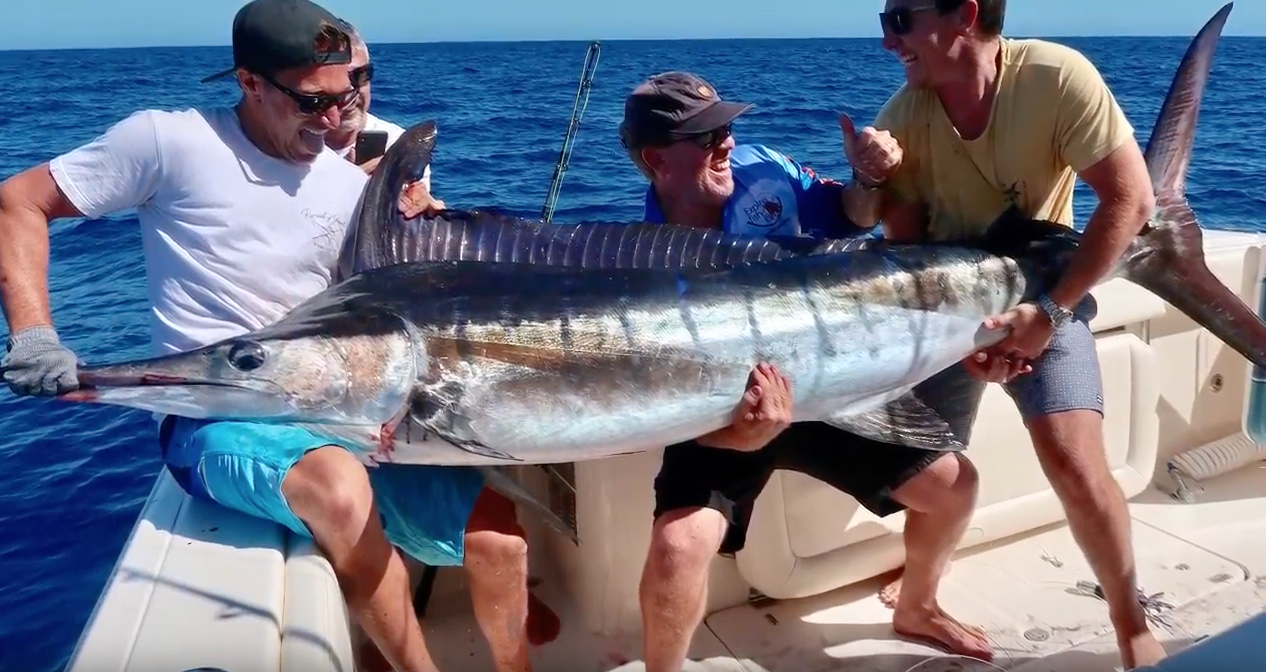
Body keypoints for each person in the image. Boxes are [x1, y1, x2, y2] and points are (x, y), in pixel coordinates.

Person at [0, 2, 537, 671]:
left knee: (500, 539)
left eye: (347, 97)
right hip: (220, 413)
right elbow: (20, 200)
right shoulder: (170, 142)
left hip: (344, 406)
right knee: (341, 492)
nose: (336, 118)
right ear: (251, 82)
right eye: (313, 101)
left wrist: (424, 232)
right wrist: (32, 333)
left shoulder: (347, 188)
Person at [618, 70, 989, 672]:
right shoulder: (646, 260)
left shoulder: (767, 170)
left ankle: (918, 606)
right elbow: (663, 402)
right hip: (723, 415)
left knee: (955, 487)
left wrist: (868, 177)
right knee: (676, 547)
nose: (728, 144)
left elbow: (851, 216)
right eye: (708, 137)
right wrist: (738, 433)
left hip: (826, 386)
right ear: (658, 159)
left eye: (728, 128)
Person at [868, 0, 1164, 668]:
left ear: (965, 15)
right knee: (933, 471)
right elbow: (907, 248)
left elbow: (1131, 200)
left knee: (1075, 462)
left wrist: (1051, 314)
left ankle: (1130, 620)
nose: (887, 41)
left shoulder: (1056, 76)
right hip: (948, 312)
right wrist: (963, 341)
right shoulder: (900, 120)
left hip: (1045, 294)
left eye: (901, 20)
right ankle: (919, 597)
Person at [324, 20, 422, 183]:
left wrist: (423, 206)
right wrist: (346, 186)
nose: (349, 92)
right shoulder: (293, 149)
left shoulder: (399, 145)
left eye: (361, 75)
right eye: (336, 80)